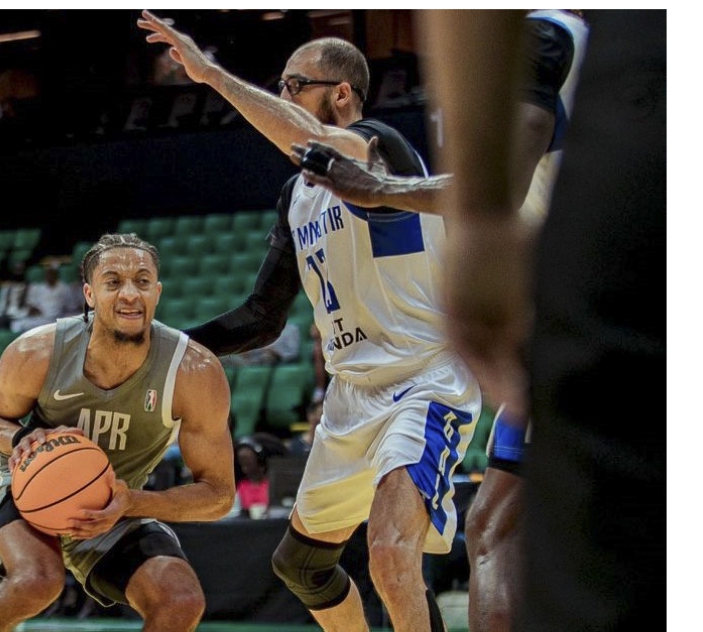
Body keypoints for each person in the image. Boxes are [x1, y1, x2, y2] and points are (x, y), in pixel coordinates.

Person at [138, 12, 481, 632]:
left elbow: (317, 140)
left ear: (342, 93)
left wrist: (211, 75)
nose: (282, 96)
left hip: (424, 379)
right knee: (301, 564)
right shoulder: (296, 196)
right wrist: (165, 349)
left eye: (294, 86)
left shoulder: (380, 147)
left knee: (390, 553)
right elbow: (260, 317)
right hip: (350, 394)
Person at [292, 11, 590, 631]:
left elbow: (496, 191)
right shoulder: (489, 55)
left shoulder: (542, 34)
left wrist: (378, 190)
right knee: (493, 529)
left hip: (599, 318)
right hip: (555, 330)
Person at [420, 10, 665, 632]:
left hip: (598, 297)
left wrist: (477, 224)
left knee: (506, 530)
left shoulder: (553, 32)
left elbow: (520, 126)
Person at [0, 233, 235, 632]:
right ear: (89, 294)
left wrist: (131, 502)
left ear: (157, 292)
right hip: (30, 482)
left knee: (180, 601)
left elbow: (218, 496)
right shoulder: (37, 352)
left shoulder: (195, 371)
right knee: (36, 582)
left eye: (142, 281)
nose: (130, 294)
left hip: (117, 501)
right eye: (113, 282)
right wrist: (18, 439)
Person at [9, 262, 73, 334]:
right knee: (17, 324)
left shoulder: (64, 288)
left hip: (59, 318)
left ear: (56, 275)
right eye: (48, 274)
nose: (50, 276)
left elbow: (70, 305)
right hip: (42, 317)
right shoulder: (40, 288)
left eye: (52, 274)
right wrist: (34, 309)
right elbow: (32, 304)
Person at [222, 321, 300, 367]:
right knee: (223, 358)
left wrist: (275, 352)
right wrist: (245, 351)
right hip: (251, 359)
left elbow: (292, 353)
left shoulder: (291, 329)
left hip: (272, 359)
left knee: (267, 356)